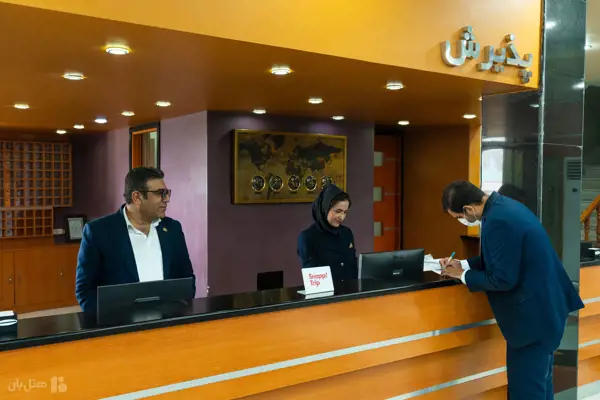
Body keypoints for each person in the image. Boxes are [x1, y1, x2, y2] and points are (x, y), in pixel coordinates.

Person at [439, 180, 584, 399]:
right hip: (546, 311)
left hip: (533, 320)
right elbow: (502, 258)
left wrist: (462, 276)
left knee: (526, 391)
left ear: (468, 209)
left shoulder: (498, 221)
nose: (462, 221)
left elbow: (503, 278)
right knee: (540, 386)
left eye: (459, 217)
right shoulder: (504, 207)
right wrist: (464, 264)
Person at [75, 167, 195, 313]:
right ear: (137, 197)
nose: (166, 199)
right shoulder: (98, 232)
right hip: (120, 323)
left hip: (168, 322)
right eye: (160, 193)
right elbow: (85, 292)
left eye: (167, 193)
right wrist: (110, 320)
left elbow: (187, 280)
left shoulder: (172, 229)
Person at [297, 184, 357, 283]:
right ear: (325, 208)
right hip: (325, 292)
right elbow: (313, 279)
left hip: (351, 290)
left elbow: (353, 268)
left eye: (345, 212)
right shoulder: (308, 237)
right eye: (338, 211)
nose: (342, 217)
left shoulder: (346, 233)